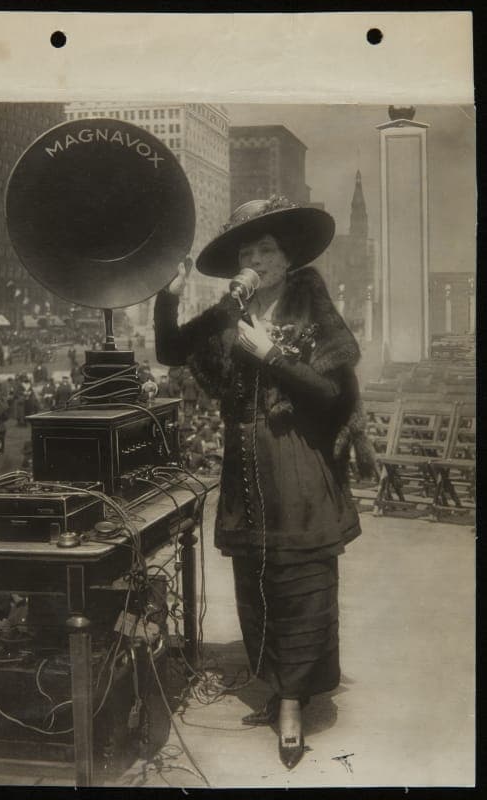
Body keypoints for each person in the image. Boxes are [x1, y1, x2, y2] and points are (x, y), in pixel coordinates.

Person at [154, 196, 375, 770]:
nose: (256, 259)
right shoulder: (230, 310)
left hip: (296, 459)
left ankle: (295, 703)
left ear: (286, 255)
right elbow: (169, 349)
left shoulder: (309, 297)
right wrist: (170, 293)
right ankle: (275, 686)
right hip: (243, 464)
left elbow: (332, 393)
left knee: (300, 582)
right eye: (247, 251)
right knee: (253, 582)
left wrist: (272, 353)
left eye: (266, 249)